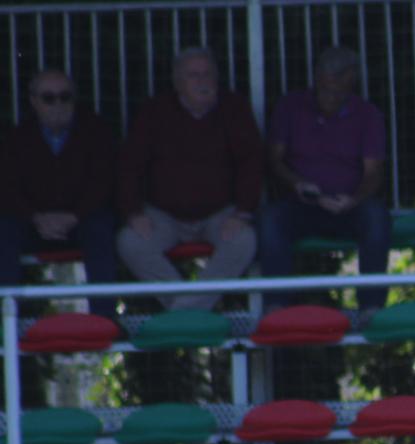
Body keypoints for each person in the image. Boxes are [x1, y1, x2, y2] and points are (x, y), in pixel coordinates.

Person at [116, 47, 263, 311]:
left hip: (220, 214)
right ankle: (192, 310)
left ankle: (183, 312)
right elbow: (130, 165)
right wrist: (134, 213)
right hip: (163, 215)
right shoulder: (154, 111)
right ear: (177, 83)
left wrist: (242, 213)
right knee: (130, 241)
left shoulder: (234, 108)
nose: (202, 81)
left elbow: (252, 163)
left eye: (207, 74)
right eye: (193, 75)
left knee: (244, 240)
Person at [258, 46, 390, 314]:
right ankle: (276, 308)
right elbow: (274, 160)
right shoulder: (290, 107)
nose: (330, 96)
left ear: (351, 83)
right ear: (316, 78)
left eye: (339, 90)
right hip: (301, 205)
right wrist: (297, 183)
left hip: (349, 208)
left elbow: (373, 173)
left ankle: (371, 307)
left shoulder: (368, 115)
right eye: (325, 88)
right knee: (270, 219)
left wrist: (353, 199)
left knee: (377, 217)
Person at [0, 70, 118, 318]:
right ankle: (8, 322)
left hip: (82, 221)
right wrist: (36, 217)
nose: (58, 104)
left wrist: (75, 216)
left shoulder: (96, 131)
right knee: (4, 232)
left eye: (65, 97)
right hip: (34, 225)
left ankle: (105, 322)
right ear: (34, 101)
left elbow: (105, 182)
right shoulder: (17, 137)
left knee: (101, 230)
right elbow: (8, 188)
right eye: (49, 98)